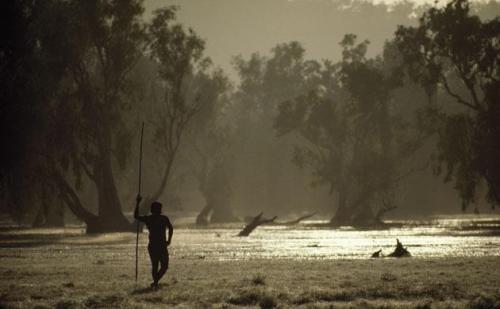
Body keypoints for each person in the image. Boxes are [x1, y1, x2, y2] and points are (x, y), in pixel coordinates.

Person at [134, 195, 174, 289]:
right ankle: (155, 283)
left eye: (159, 208)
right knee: (156, 265)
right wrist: (138, 202)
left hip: (160, 245)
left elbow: (171, 228)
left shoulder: (163, 218)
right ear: (153, 210)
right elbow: (136, 216)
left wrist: (169, 240)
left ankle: (155, 282)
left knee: (163, 266)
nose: (159, 210)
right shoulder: (150, 219)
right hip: (155, 246)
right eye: (157, 208)